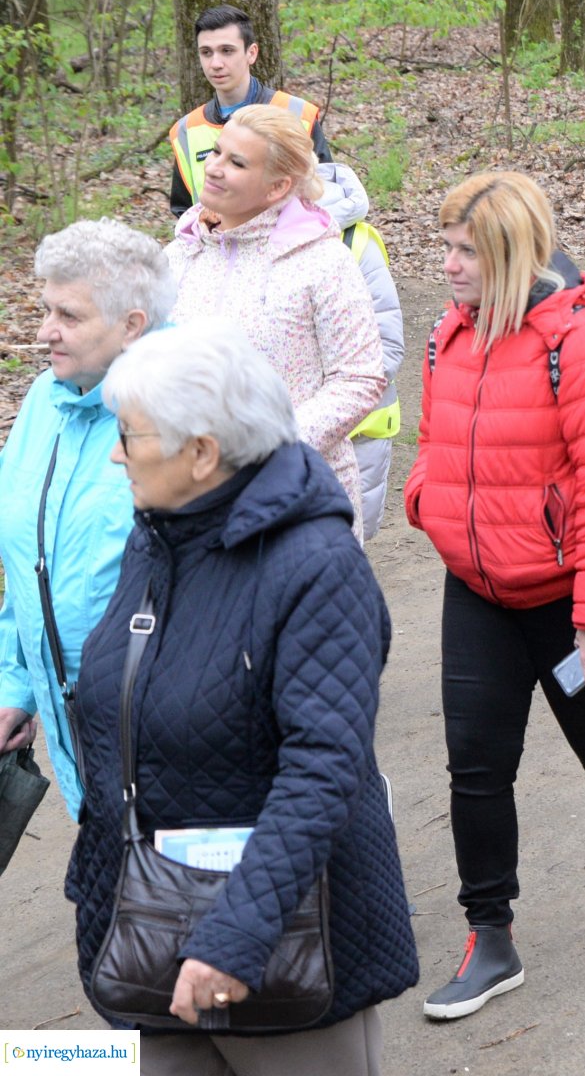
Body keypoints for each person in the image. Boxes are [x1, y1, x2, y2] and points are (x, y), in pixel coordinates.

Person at [68, 324, 416, 1071]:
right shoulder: (159, 537)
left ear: (202, 453)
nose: (115, 453)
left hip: (286, 945)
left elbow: (324, 770)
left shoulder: (318, 568)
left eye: (130, 436)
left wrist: (236, 936)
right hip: (150, 932)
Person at [407, 172, 585, 1019]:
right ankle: (488, 935)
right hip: (479, 590)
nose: (450, 265)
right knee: (476, 767)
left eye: (467, 252)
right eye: (448, 247)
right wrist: (429, 505)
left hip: (577, 599)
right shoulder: (449, 336)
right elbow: (431, 443)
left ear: (513, 255)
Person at [0, 221, 173, 820]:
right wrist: (15, 687)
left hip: (175, 740)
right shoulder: (43, 402)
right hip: (79, 733)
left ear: (132, 324)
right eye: (46, 309)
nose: (44, 331)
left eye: (68, 316)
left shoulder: (185, 412)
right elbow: (28, 561)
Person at [166, 103, 385, 536]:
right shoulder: (178, 256)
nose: (214, 168)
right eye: (216, 152)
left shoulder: (323, 262)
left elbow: (360, 377)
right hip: (192, 501)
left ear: (277, 186)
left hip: (298, 503)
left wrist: (267, 448)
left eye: (237, 162)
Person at [169, 4, 331, 217]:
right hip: (214, 247)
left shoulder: (297, 114)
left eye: (227, 51)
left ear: (251, 53)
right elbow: (183, 211)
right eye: (206, 52)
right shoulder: (186, 130)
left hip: (289, 245)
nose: (215, 63)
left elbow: (326, 197)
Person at [315, 162, 406, 539]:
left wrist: (328, 413)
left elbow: (388, 343)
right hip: (281, 439)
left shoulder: (356, 242)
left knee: (347, 546)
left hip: (359, 431)